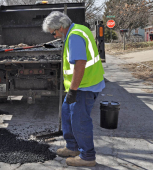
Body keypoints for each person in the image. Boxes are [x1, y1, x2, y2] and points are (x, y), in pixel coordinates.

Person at [42, 11, 105, 167]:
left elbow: (80, 64)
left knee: (80, 121)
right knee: (66, 114)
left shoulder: (75, 36)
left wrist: (73, 90)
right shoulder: (78, 29)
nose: (54, 36)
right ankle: (72, 147)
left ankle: (88, 156)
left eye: (54, 32)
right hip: (81, 85)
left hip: (84, 86)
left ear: (61, 27)